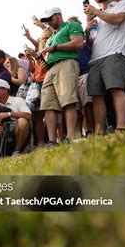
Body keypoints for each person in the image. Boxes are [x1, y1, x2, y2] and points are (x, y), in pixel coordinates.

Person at [84, 0, 125, 133]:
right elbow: (91, 44)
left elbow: (118, 19)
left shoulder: (122, 4)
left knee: (116, 89)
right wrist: (87, 30)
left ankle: (121, 127)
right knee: (97, 95)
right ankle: (100, 132)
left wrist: (96, 12)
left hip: (114, 53)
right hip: (96, 58)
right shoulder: (96, 17)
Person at [38, 7, 84, 144]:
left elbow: (78, 42)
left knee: (68, 101)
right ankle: (52, 141)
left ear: (59, 15)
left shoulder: (71, 25)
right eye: (46, 21)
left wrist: (56, 47)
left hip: (67, 63)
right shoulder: (51, 37)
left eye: (50, 19)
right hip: (50, 69)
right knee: (48, 105)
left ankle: (70, 137)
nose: (49, 23)